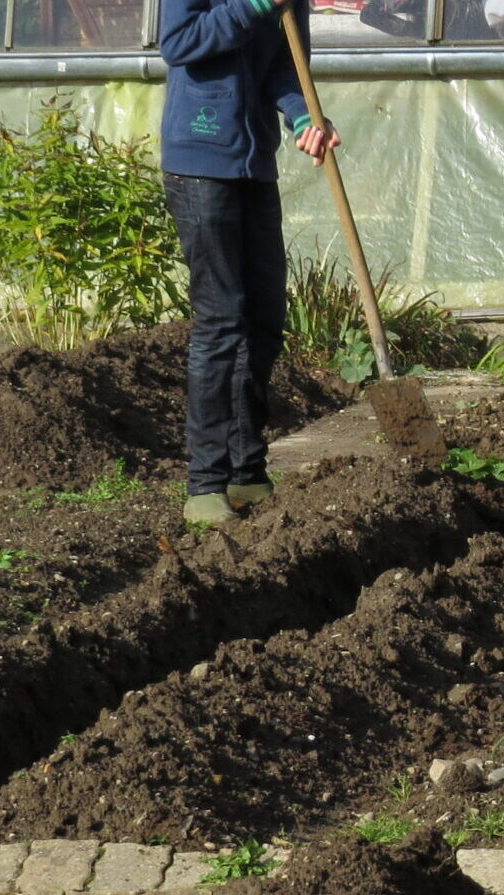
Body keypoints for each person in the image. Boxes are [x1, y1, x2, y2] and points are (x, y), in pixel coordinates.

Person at [158, 0, 340, 528]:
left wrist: (304, 115)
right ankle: (205, 484)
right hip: (200, 164)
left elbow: (284, 64)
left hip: (254, 164)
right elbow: (179, 42)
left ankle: (246, 471)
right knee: (221, 321)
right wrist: (255, 4)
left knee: (263, 320)